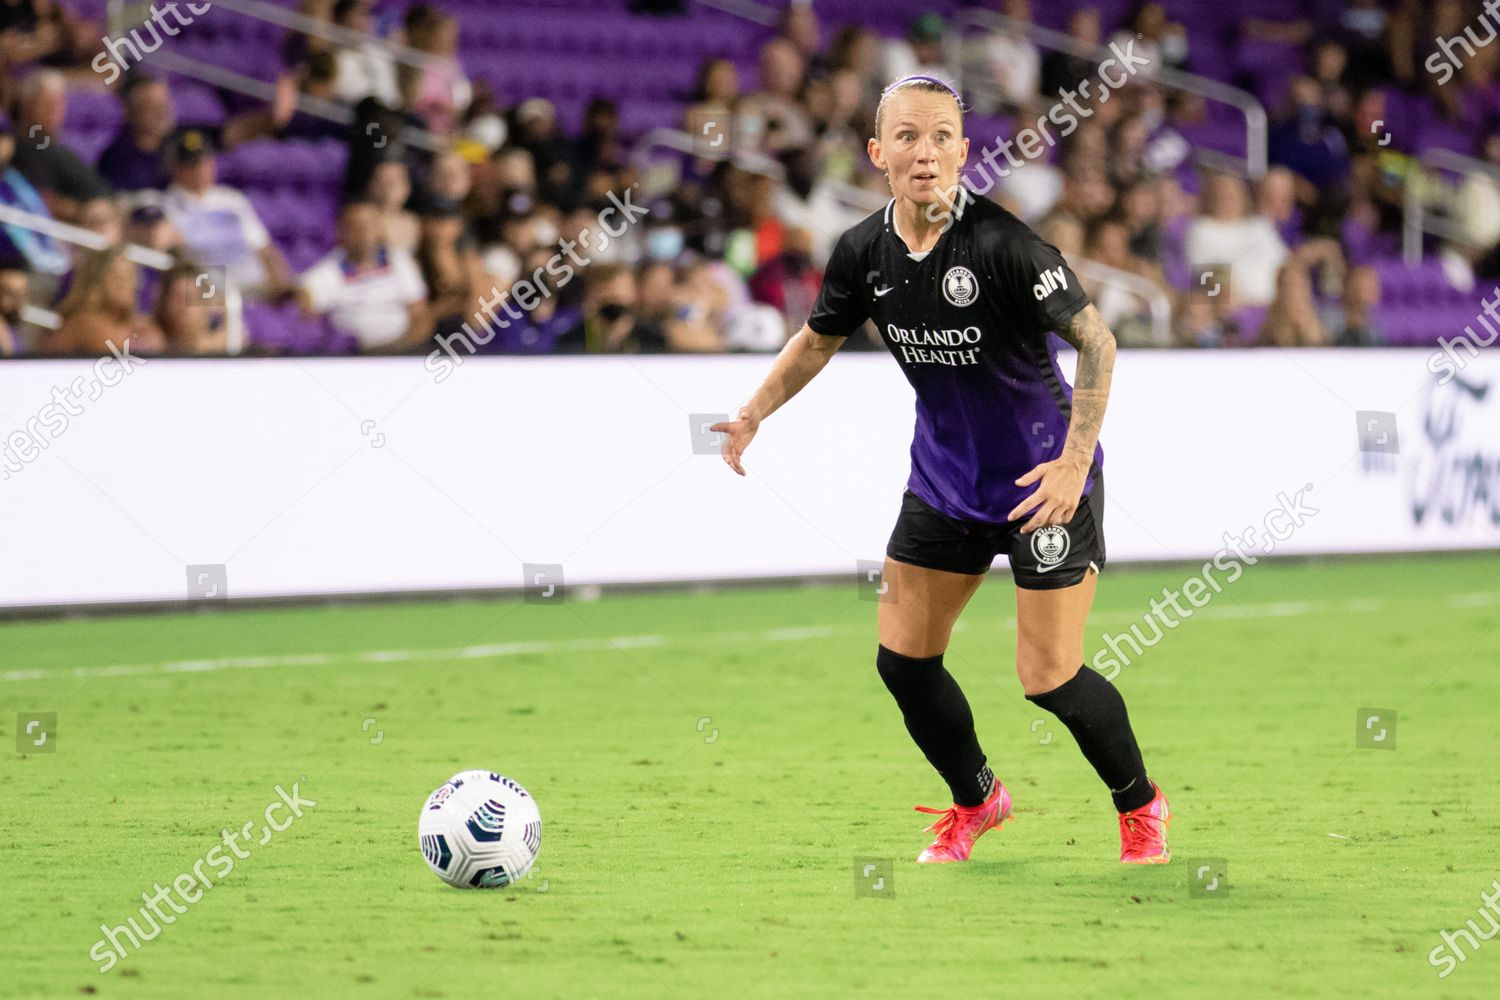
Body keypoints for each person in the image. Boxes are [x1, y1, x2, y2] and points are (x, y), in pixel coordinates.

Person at [712, 75, 1170, 866]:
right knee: (903, 663)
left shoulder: (1003, 245)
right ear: (877, 152)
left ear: (962, 150)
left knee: (1049, 678)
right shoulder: (863, 252)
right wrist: (754, 411)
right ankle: (978, 798)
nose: (925, 152)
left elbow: (1097, 342)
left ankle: (1141, 805)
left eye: (941, 137)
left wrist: (1073, 463)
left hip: (1043, 484)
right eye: (908, 136)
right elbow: (819, 340)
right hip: (946, 484)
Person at [161, 128, 292, 302]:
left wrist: (281, 285)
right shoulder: (167, 206)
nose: (201, 169)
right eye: (192, 164)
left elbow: (265, 249)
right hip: (211, 294)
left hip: (257, 290)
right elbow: (179, 258)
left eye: (205, 161)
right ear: (177, 169)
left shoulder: (233, 200)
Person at [297, 199, 428, 353]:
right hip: (352, 358)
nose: (364, 232)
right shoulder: (329, 269)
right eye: (355, 226)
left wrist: (403, 346)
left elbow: (419, 313)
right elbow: (303, 301)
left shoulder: (399, 260)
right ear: (341, 231)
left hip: (401, 352)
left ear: (379, 228)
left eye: (370, 224)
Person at [9, 68, 111, 222]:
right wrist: (84, 213)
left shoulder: (59, 148)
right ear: (26, 104)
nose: (54, 111)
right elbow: (38, 199)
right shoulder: (25, 145)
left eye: (58, 103)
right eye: (47, 103)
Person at [42, 246, 164, 355]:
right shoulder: (85, 321)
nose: (125, 285)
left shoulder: (134, 323)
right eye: (117, 277)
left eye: (130, 277)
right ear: (96, 281)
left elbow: (157, 346)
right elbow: (122, 357)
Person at [96, 75, 175, 192]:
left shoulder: (178, 147)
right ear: (131, 112)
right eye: (152, 107)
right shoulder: (116, 159)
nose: (162, 113)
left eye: (164, 106)